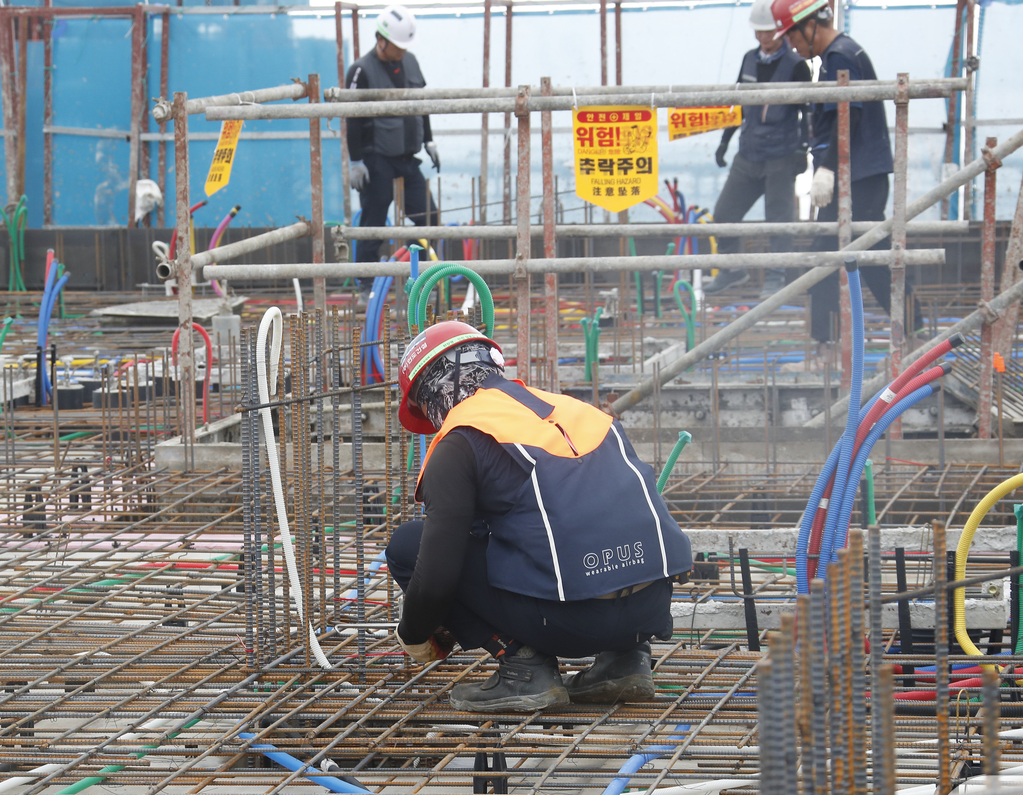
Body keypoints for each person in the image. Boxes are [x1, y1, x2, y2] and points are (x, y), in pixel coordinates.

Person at [385, 322, 693, 712]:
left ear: (433, 389)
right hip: (648, 611)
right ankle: (625, 660)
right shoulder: (578, 412)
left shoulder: (461, 440)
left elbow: (436, 575)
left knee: (408, 545)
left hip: (571, 623)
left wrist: (413, 634)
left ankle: (523, 667)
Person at [773, 0, 914, 342]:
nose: (790, 45)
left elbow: (846, 117)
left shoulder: (841, 57)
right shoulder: (843, 53)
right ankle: (912, 329)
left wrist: (827, 169)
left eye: (791, 35)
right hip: (859, 175)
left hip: (857, 177)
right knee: (866, 254)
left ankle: (827, 345)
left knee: (833, 258)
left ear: (810, 26)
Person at [701, 0, 811, 299]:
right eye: (760, 32)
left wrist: (803, 149)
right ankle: (731, 268)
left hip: (781, 155)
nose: (764, 37)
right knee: (724, 215)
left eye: (769, 32)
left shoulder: (797, 65)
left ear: (782, 31)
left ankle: (777, 276)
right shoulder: (749, 60)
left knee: (779, 220)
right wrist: (725, 141)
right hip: (748, 153)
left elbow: (808, 111)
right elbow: (737, 102)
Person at [345, 6, 439, 273]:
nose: (402, 51)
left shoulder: (410, 62)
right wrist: (356, 161)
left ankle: (413, 270)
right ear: (381, 40)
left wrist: (429, 141)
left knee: (428, 218)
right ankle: (366, 280)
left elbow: (422, 102)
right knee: (373, 222)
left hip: (408, 158)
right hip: (377, 159)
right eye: (398, 45)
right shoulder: (360, 71)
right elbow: (351, 117)